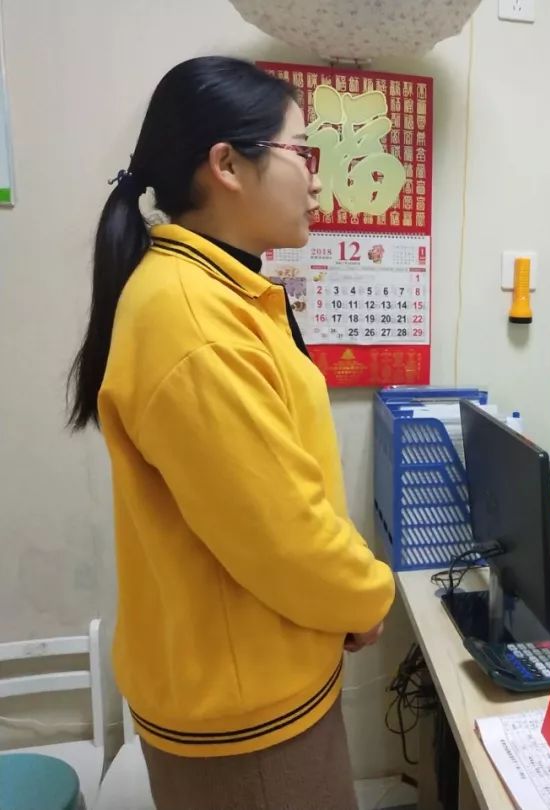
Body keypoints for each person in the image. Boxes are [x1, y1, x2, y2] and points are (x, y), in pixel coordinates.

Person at [67, 56, 394, 810]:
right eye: (302, 153)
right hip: (247, 722)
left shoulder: (211, 291)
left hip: (251, 687)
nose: (318, 180)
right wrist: (366, 597)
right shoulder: (192, 319)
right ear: (227, 165)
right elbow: (282, 535)